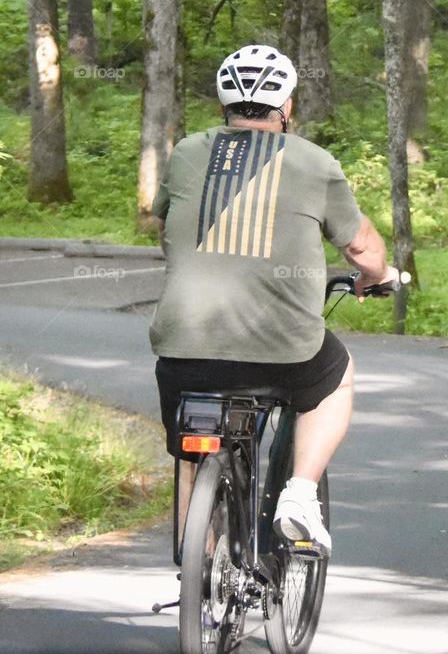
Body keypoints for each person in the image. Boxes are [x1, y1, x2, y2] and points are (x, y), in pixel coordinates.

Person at [149, 44, 398, 557]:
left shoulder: (188, 152)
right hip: (284, 353)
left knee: (192, 460)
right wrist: (378, 275)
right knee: (338, 373)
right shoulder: (312, 161)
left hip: (182, 349)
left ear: (225, 102)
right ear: (285, 106)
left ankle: (195, 565)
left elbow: (166, 228)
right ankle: (301, 496)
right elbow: (359, 247)